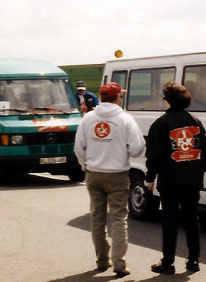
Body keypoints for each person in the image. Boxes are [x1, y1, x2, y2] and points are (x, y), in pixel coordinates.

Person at [74, 82, 145, 278]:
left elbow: (79, 147)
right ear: (117, 98)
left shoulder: (88, 118)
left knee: (97, 218)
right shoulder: (125, 119)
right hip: (117, 174)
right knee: (118, 219)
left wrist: (85, 164)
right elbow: (138, 147)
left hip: (94, 173)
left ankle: (101, 260)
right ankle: (119, 263)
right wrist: (126, 153)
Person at [145, 82, 206, 274]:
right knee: (192, 219)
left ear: (168, 101)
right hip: (192, 180)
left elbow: (154, 155)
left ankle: (168, 263)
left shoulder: (160, 124)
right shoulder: (196, 122)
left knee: (170, 220)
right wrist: (197, 171)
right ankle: (194, 261)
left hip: (170, 181)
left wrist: (150, 178)